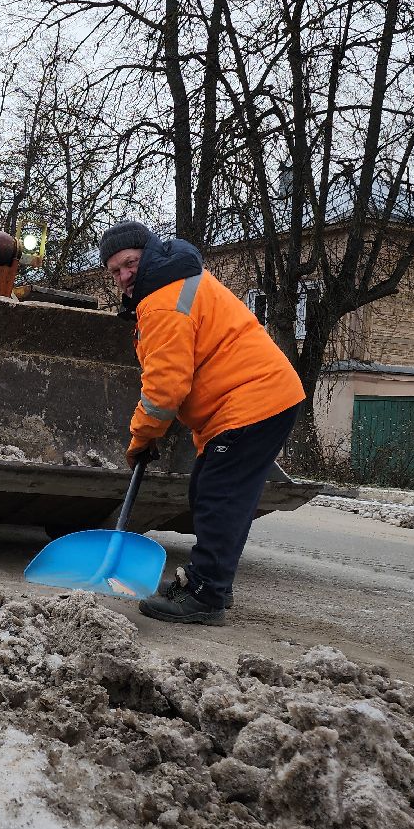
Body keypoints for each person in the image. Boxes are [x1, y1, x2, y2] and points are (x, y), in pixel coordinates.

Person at [100, 220, 306, 626]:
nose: (124, 276)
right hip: (256, 399)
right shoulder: (172, 284)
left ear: (149, 254)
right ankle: (209, 584)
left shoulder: (161, 300)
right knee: (210, 490)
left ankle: (206, 595)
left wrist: (141, 437)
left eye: (129, 263)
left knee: (218, 496)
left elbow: (164, 389)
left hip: (253, 399)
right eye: (115, 271)